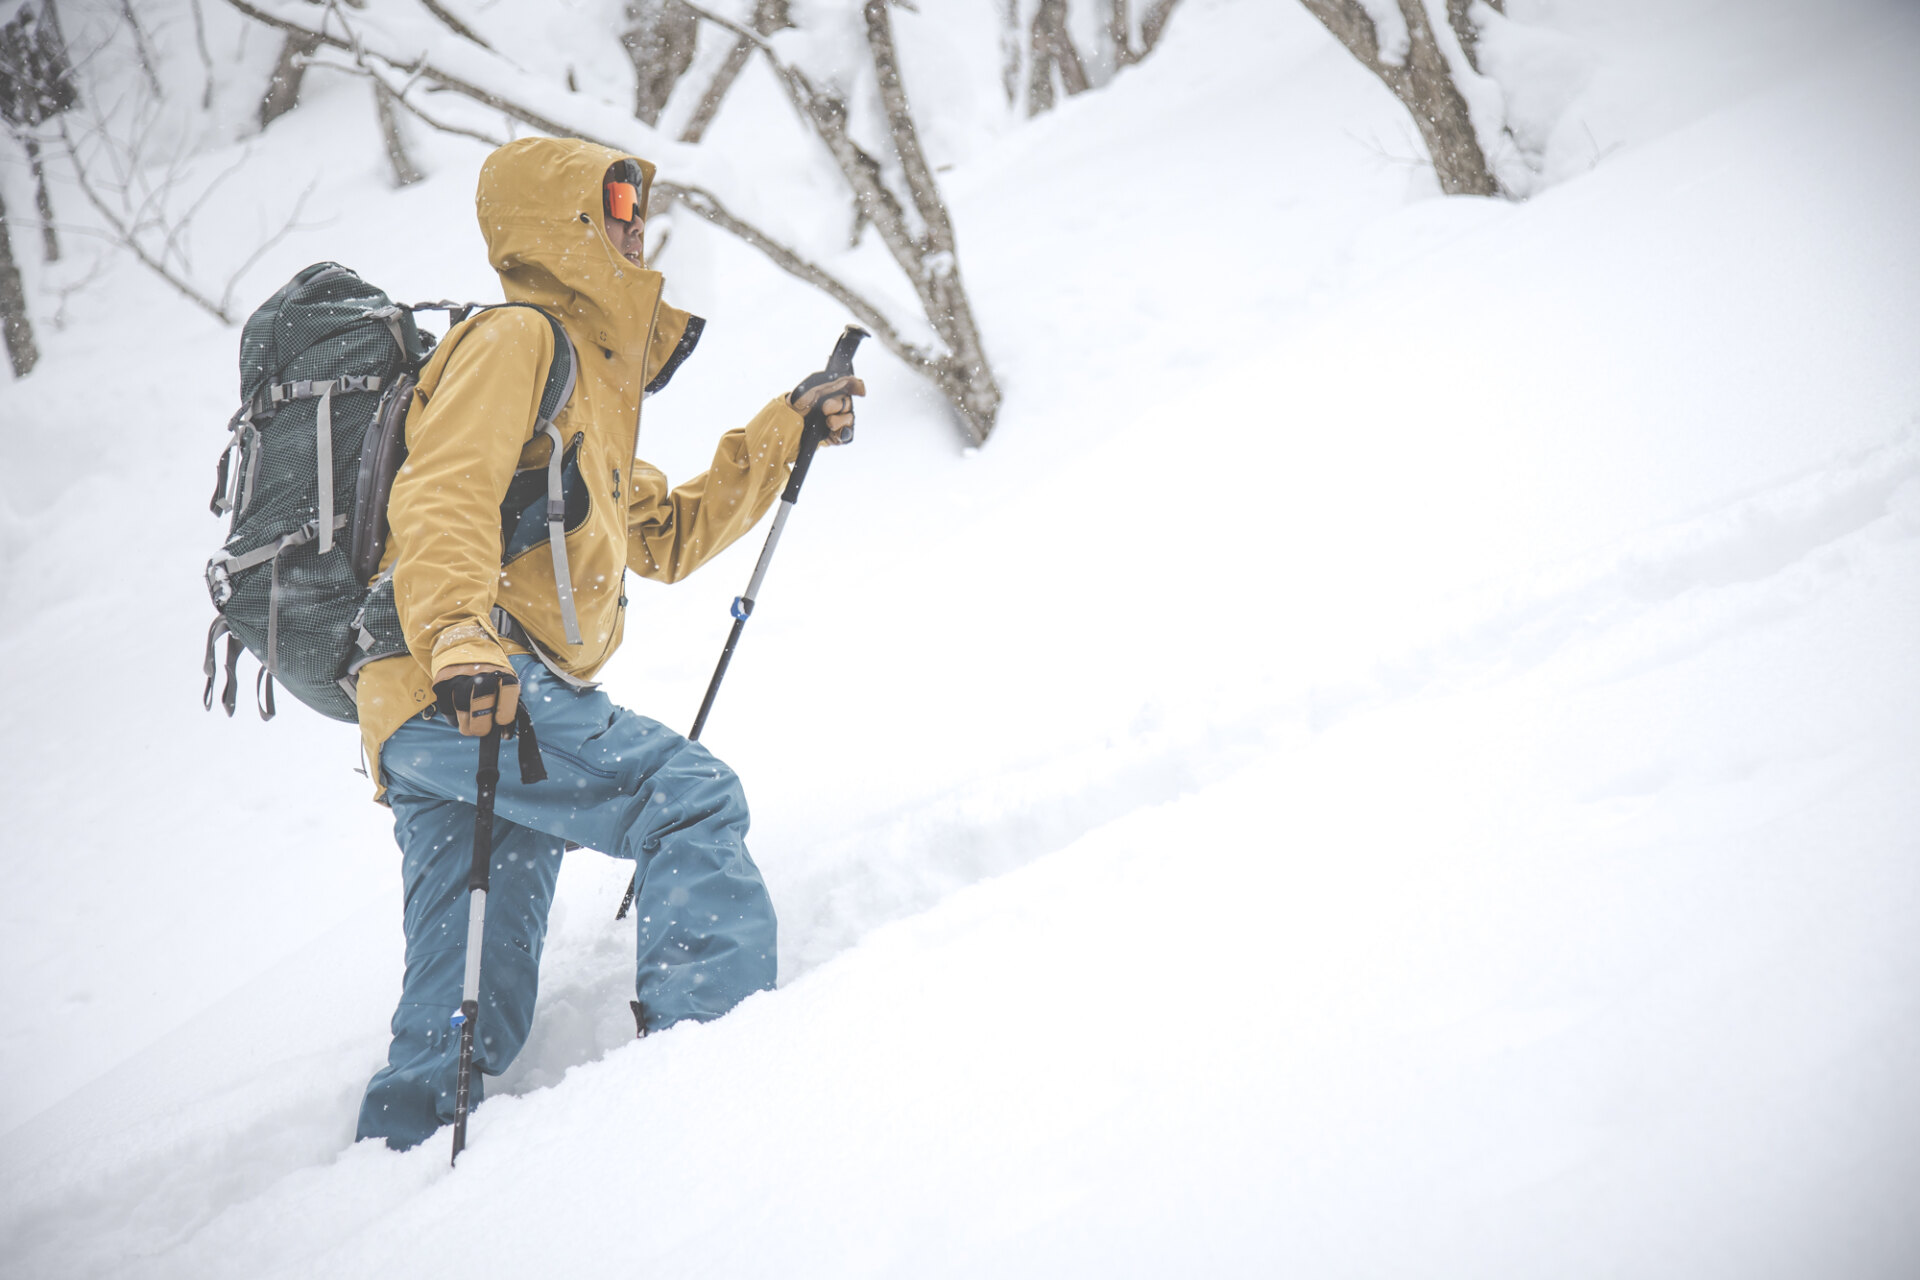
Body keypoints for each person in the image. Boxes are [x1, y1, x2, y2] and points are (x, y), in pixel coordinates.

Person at [351, 136, 862, 1151]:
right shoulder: (515, 344)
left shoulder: (580, 389)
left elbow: (658, 535)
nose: (637, 220)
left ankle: (388, 1173)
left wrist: (781, 434)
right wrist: (460, 637)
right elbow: (441, 491)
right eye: (616, 199)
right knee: (687, 794)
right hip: (473, 671)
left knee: (465, 1006)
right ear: (563, 221)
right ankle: (714, 1076)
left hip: (427, 705)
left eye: (639, 201)